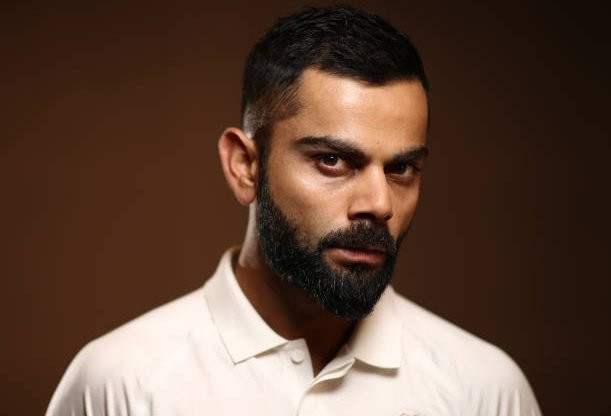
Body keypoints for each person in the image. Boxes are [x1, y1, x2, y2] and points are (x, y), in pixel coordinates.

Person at [46, 6, 541, 416]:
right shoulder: (121, 385)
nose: (379, 204)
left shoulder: (483, 391)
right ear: (245, 166)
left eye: (401, 168)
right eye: (333, 161)